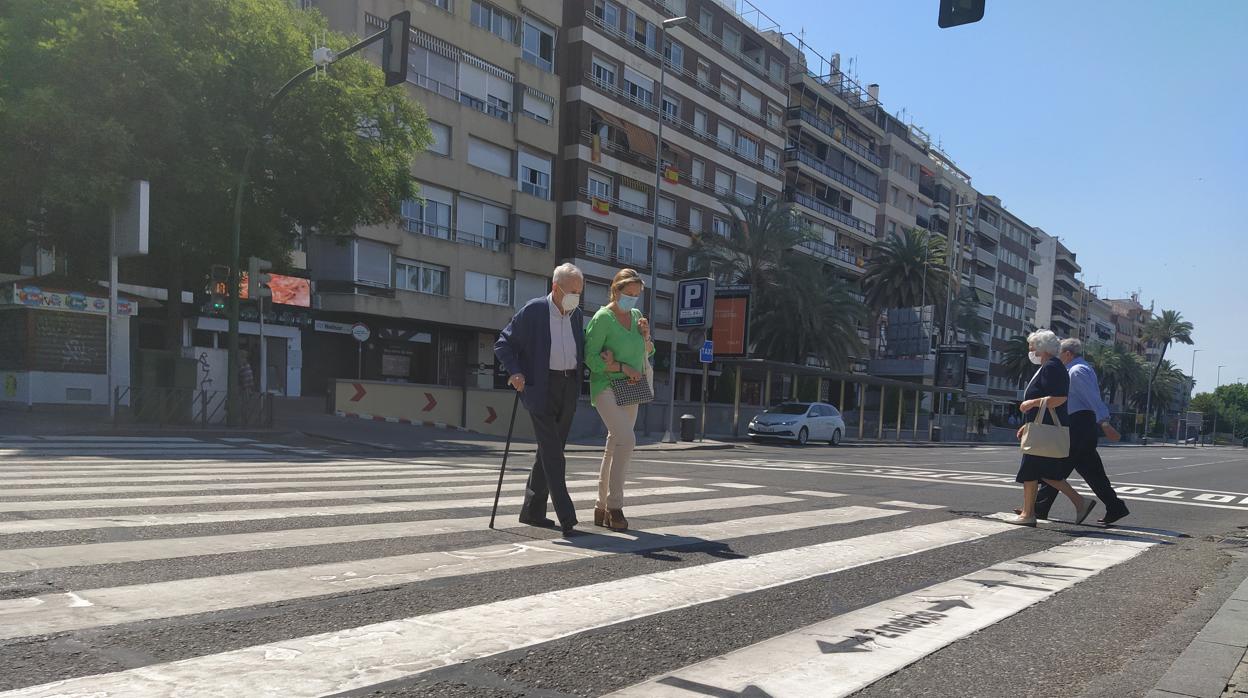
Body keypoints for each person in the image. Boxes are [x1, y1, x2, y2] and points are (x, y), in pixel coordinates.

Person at [494, 263, 585, 535]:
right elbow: (503, 344)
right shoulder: (534, 310)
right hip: (540, 386)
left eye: (579, 292)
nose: (576, 298)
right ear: (555, 288)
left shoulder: (576, 314)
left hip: (568, 386)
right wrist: (516, 372)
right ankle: (567, 517)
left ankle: (532, 511)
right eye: (572, 291)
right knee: (553, 453)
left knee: (548, 450)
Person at [584, 269, 654, 532]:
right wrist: (620, 368)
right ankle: (615, 507)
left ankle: (600, 507)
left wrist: (646, 335)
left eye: (637, 296)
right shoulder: (603, 318)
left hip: (631, 389)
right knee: (627, 440)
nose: (633, 300)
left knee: (614, 445)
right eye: (629, 294)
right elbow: (590, 358)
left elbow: (649, 351)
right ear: (616, 291)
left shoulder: (636, 317)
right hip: (606, 387)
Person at [1032, 338, 1129, 524]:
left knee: (1055, 466)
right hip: (1081, 426)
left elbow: (1092, 398)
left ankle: (1039, 508)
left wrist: (1105, 422)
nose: (1056, 357)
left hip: (1079, 425)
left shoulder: (1077, 371)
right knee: (1092, 473)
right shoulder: (1078, 369)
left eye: (1058, 354)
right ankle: (1116, 507)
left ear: (1068, 354)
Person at [1006, 329, 1097, 527]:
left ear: (1041, 348)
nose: (1029, 351)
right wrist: (1028, 424)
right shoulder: (1051, 366)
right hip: (1041, 427)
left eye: (1031, 347)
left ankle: (1029, 514)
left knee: (1031, 470)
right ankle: (1080, 502)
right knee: (1048, 472)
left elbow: (1058, 399)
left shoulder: (1051, 367)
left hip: (1044, 429)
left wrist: (1030, 404)